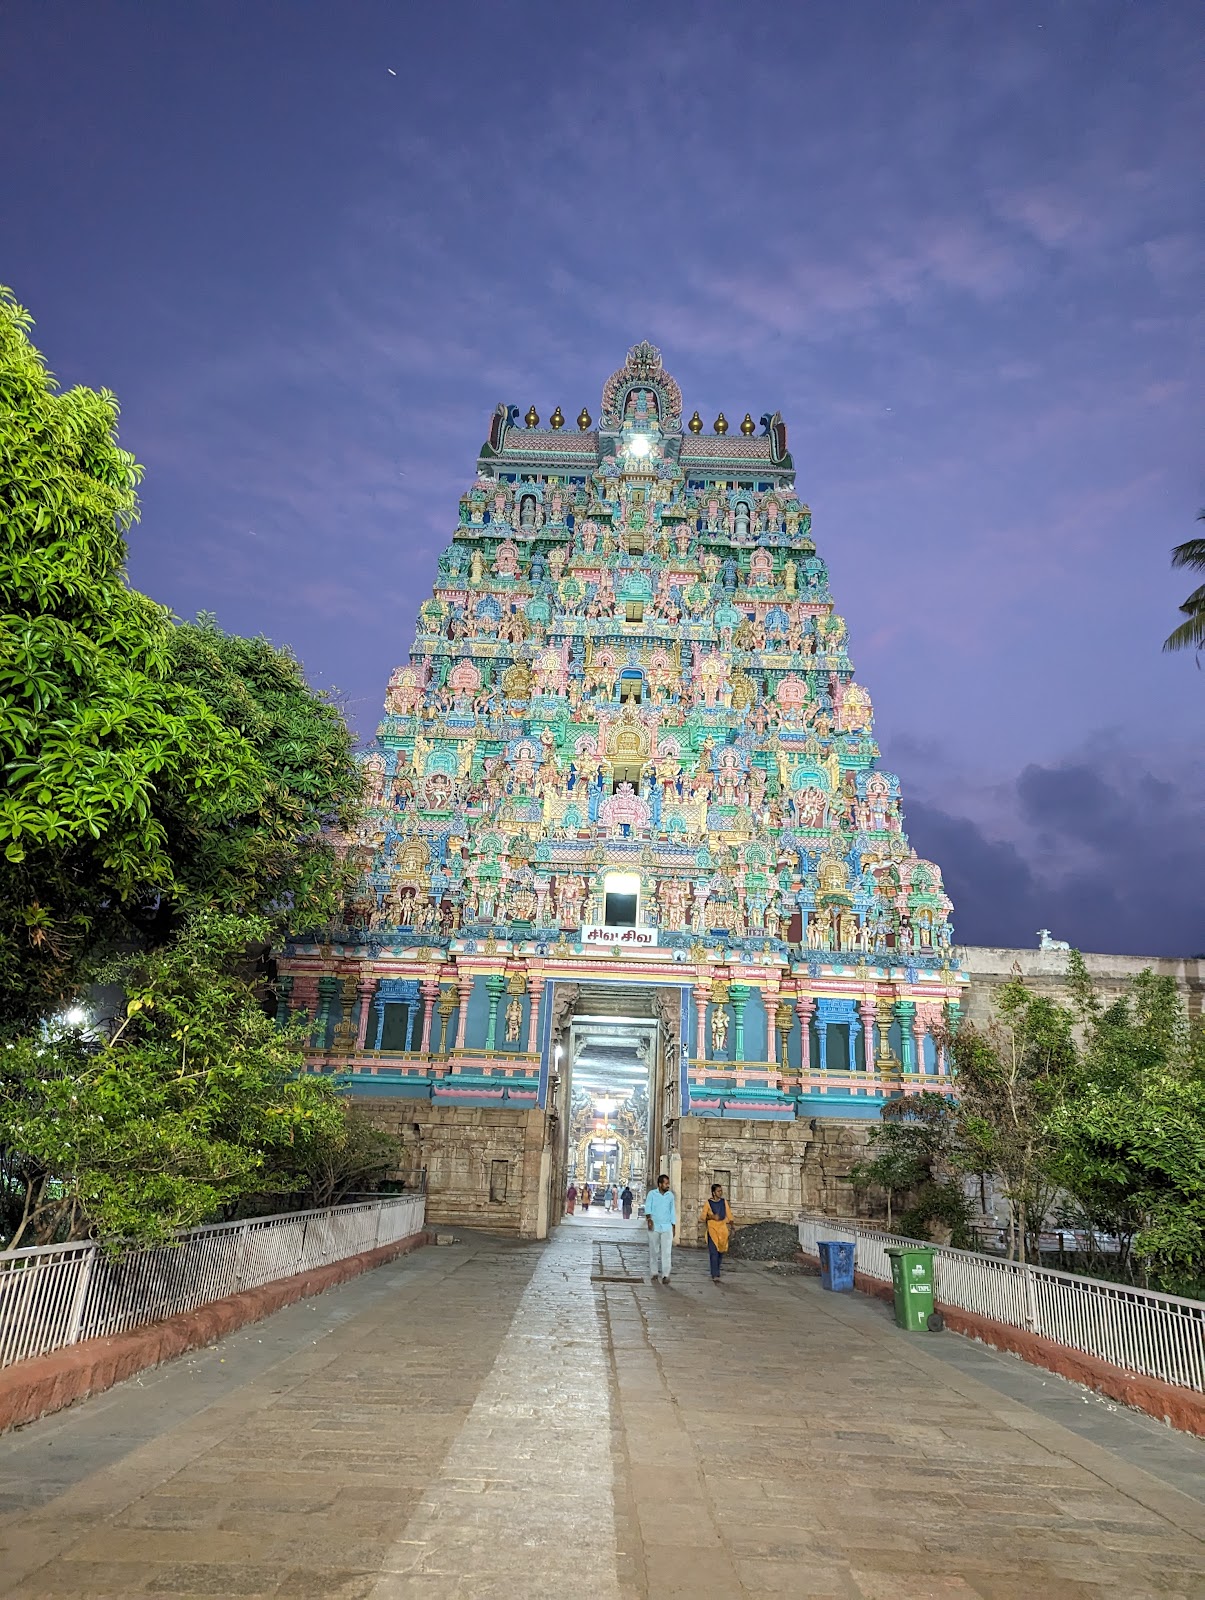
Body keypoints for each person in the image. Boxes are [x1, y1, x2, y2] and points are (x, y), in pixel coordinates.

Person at [645, 1174, 677, 1285]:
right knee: (654, 1250)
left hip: (667, 1226)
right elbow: (648, 1206)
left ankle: (666, 1275)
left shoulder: (670, 1196)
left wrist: (674, 1225)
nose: (668, 1185)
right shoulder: (652, 1194)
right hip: (654, 1225)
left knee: (667, 1252)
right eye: (666, 1183)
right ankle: (654, 1272)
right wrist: (649, 1219)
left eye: (668, 1183)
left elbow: (672, 1210)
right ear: (660, 1184)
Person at [700, 1183, 736, 1283]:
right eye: (718, 1191)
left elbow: (729, 1215)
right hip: (712, 1230)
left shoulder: (724, 1202)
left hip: (723, 1230)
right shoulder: (708, 1203)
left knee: (721, 1251)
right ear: (713, 1193)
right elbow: (703, 1217)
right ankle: (714, 1273)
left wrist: (732, 1226)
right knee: (713, 1252)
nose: (720, 1193)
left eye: (721, 1191)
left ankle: (717, 1269)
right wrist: (711, 1217)